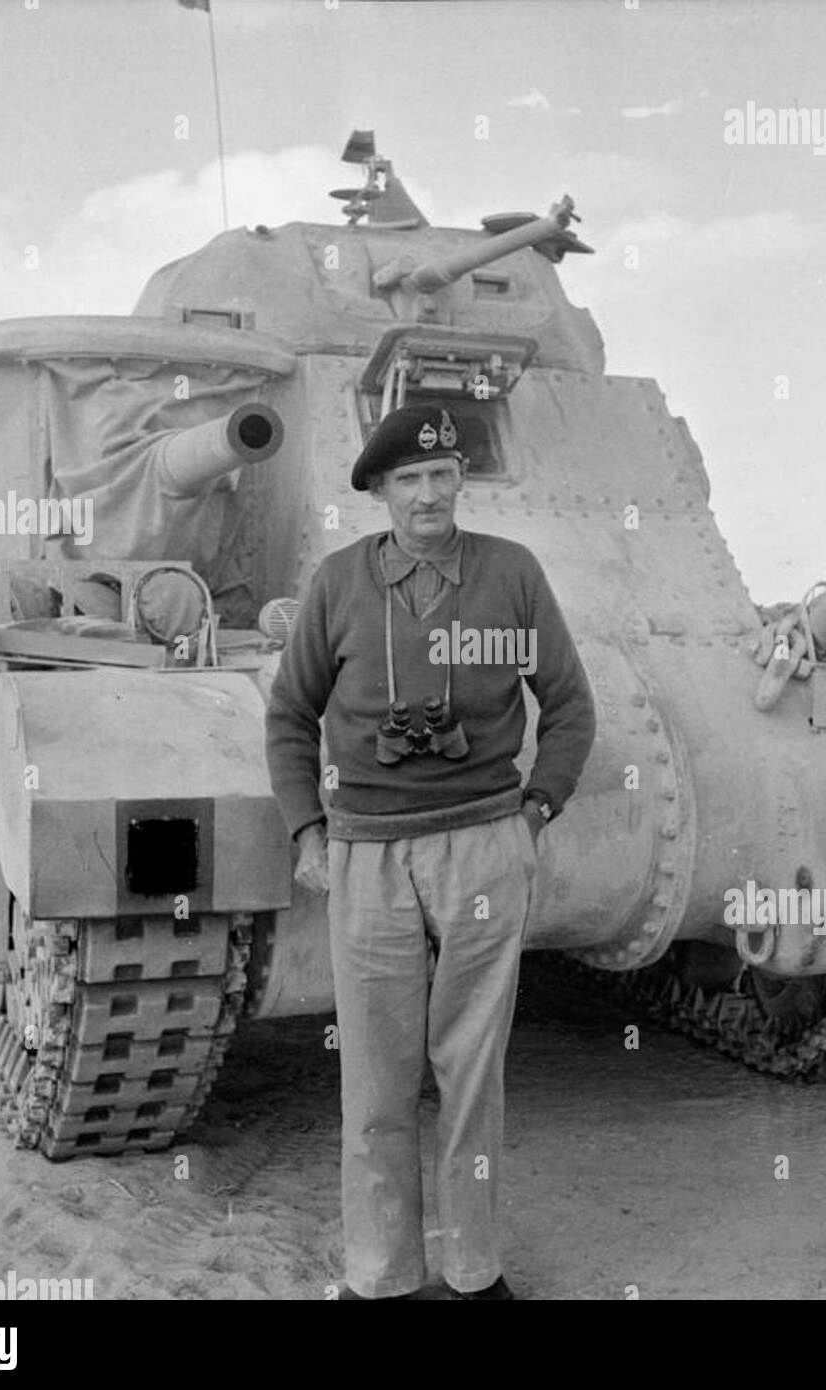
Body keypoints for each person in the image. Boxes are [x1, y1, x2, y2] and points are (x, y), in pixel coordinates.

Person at [265, 403, 595, 1301]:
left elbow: (569, 704)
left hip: (484, 846)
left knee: (471, 1072)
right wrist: (307, 829)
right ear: (380, 491)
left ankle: (473, 1269)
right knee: (376, 1078)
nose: (428, 496)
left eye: (442, 477)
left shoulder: (511, 575)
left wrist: (534, 813)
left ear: (461, 483)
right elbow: (291, 714)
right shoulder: (337, 584)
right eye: (408, 480)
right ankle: (382, 1277)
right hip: (368, 855)